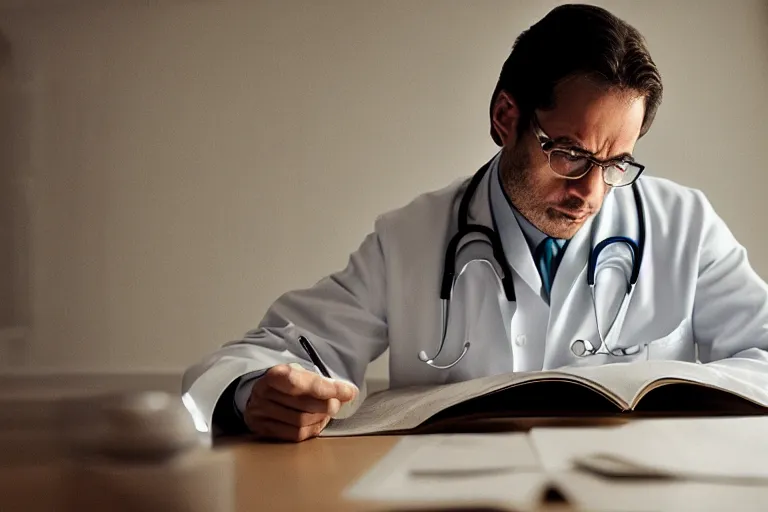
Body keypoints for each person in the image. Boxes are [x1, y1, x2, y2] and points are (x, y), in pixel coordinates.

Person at [182, 4, 768, 442]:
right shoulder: (412, 238)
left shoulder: (684, 225)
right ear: (505, 115)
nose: (590, 191)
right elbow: (264, 355)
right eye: (569, 153)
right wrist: (251, 394)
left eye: (616, 163)